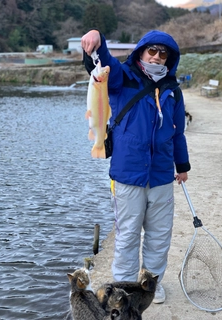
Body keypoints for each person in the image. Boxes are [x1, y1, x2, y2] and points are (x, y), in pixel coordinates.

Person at [81, 29, 191, 304]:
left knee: (159, 236)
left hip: (163, 176)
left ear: (169, 59)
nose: (156, 56)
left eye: (163, 53)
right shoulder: (121, 79)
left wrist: (183, 165)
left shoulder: (173, 91)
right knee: (127, 235)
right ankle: (124, 287)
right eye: (151, 50)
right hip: (128, 174)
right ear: (141, 51)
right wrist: (97, 39)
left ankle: (149, 285)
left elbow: (178, 133)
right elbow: (102, 61)